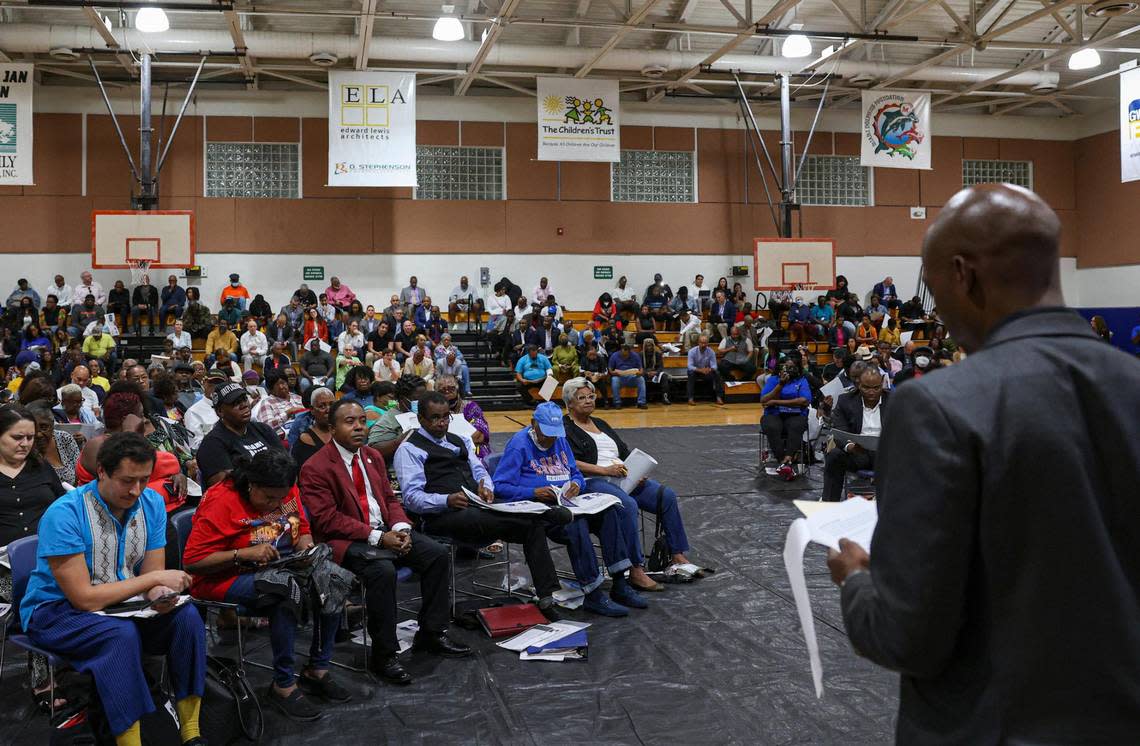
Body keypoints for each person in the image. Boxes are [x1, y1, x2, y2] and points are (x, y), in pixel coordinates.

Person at [826, 183, 1140, 743]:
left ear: (963, 274)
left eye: (933, 285)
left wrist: (857, 583)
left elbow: (908, 637)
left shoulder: (938, 406)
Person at [19, 432, 207, 746]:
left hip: (120, 604)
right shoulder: (65, 513)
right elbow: (83, 599)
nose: (135, 490)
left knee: (186, 618)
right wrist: (150, 583)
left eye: (144, 479)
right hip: (56, 611)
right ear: (102, 472)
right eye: (126, 480)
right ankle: (129, 741)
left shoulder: (151, 503)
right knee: (119, 636)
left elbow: (151, 575)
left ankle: (191, 733)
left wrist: (159, 594)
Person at [301, 399, 470, 685]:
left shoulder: (372, 457)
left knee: (437, 554)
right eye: (349, 422)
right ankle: (384, 654)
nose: (358, 427)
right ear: (332, 428)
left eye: (362, 421)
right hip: (346, 541)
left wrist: (401, 528)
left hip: (386, 531)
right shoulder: (315, 467)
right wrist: (380, 537)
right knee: (383, 572)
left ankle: (431, 633)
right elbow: (326, 520)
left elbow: (389, 499)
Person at [183, 449, 351, 720]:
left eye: (280, 498)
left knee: (331, 579)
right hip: (222, 577)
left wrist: (306, 550)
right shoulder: (221, 500)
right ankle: (283, 684)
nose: (275, 504)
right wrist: (243, 554)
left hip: (280, 566)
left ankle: (317, 669)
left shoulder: (286, 490)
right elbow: (192, 562)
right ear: (251, 484)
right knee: (283, 593)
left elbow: (301, 530)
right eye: (268, 497)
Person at [395, 391, 567, 620]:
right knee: (493, 517)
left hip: (476, 507)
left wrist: (486, 487)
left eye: (446, 416)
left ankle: (546, 598)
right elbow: (412, 498)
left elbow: (479, 470)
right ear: (421, 419)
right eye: (435, 418)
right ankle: (543, 513)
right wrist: (445, 500)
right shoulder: (409, 449)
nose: (442, 422)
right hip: (440, 516)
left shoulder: (459, 440)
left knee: (530, 527)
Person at [493, 402, 645, 617]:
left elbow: (575, 472)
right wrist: (533, 492)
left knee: (610, 513)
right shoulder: (519, 445)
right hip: (542, 509)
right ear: (533, 424)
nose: (551, 439)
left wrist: (577, 484)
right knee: (576, 523)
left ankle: (620, 583)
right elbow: (500, 486)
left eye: (555, 434)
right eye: (547, 433)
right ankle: (593, 593)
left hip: (568, 501)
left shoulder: (560, 440)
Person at [561, 379, 693, 579]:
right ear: (569, 403)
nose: (588, 401)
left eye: (591, 396)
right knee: (628, 504)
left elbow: (624, 452)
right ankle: (635, 567)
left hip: (621, 477)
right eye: (582, 398)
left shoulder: (601, 423)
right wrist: (605, 470)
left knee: (666, 495)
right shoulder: (565, 428)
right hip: (592, 481)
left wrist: (637, 471)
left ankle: (677, 554)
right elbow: (569, 462)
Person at [196, 381, 284, 487]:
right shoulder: (212, 444)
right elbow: (225, 488)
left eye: (244, 399)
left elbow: (286, 464)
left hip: (277, 494)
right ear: (220, 411)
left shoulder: (263, 429)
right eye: (236, 403)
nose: (244, 405)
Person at [821, 367, 889, 501]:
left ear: (882, 385)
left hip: (886, 456)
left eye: (876, 388)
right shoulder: (845, 401)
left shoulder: (894, 400)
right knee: (834, 455)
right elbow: (840, 431)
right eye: (866, 388)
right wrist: (850, 447)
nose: (871, 392)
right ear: (859, 386)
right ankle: (829, 505)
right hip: (858, 453)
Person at [759, 357, 811, 480]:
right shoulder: (773, 380)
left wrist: (776, 401)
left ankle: (787, 458)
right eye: (787, 367)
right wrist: (780, 385)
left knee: (796, 426)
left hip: (796, 414)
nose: (789, 370)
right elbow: (764, 400)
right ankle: (784, 461)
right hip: (774, 413)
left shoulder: (802, 380)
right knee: (772, 426)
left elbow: (804, 400)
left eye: (792, 367)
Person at [367, 374, 427, 458]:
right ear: (402, 399)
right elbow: (373, 450)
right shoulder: (387, 420)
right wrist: (400, 440)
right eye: (416, 399)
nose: (421, 402)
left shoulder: (427, 412)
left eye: (424, 398)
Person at [435, 374, 491, 463]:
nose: (447, 391)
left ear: (457, 390)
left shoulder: (470, 407)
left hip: (472, 449)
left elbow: (480, 436)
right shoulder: (434, 410)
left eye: (451, 388)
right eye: (442, 389)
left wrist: (456, 446)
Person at [291, 386, 334, 468]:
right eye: (322, 406)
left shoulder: (343, 433)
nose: (328, 410)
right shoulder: (304, 440)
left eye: (332, 405)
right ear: (312, 409)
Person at [686, 334, 724, 405]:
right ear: (698, 343)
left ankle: (719, 397)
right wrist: (700, 370)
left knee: (717, 374)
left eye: (705, 343)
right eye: (701, 343)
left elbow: (714, 365)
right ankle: (690, 398)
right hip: (696, 372)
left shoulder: (711, 352)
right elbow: (689, 366)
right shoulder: (692, 351)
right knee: (690, 373)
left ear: (707, 343)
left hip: (706, 372)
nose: (703, 345)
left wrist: (710, 369)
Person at [607, 342, 646, 410]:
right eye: (623, 353)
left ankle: (641, 402)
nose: (624, 355)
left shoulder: (635, 355)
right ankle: (617, 403)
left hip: (632, 376)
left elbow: (641, 368)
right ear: (620, 350)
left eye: (626, 353)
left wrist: (640, 372)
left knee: (641, 379)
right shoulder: (614, 355)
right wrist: (613, 373)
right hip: (619, 376)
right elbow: (610, 368)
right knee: (614, 380)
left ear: (629, 351)